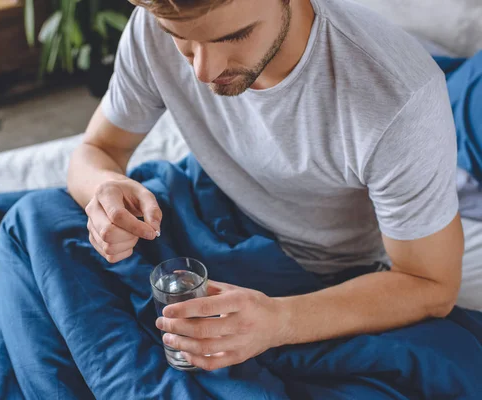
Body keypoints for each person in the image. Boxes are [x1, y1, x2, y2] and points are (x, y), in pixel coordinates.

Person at [65, 0, 465, 372]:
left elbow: (430, 285)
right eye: (180, 39)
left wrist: (279, 321)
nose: (203, 71)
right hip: (201, 209)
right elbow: (98, 149)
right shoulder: (154, 24)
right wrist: (106, 188)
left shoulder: (396, 97)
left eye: (233, 36)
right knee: (35, 223)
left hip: (311, 277)